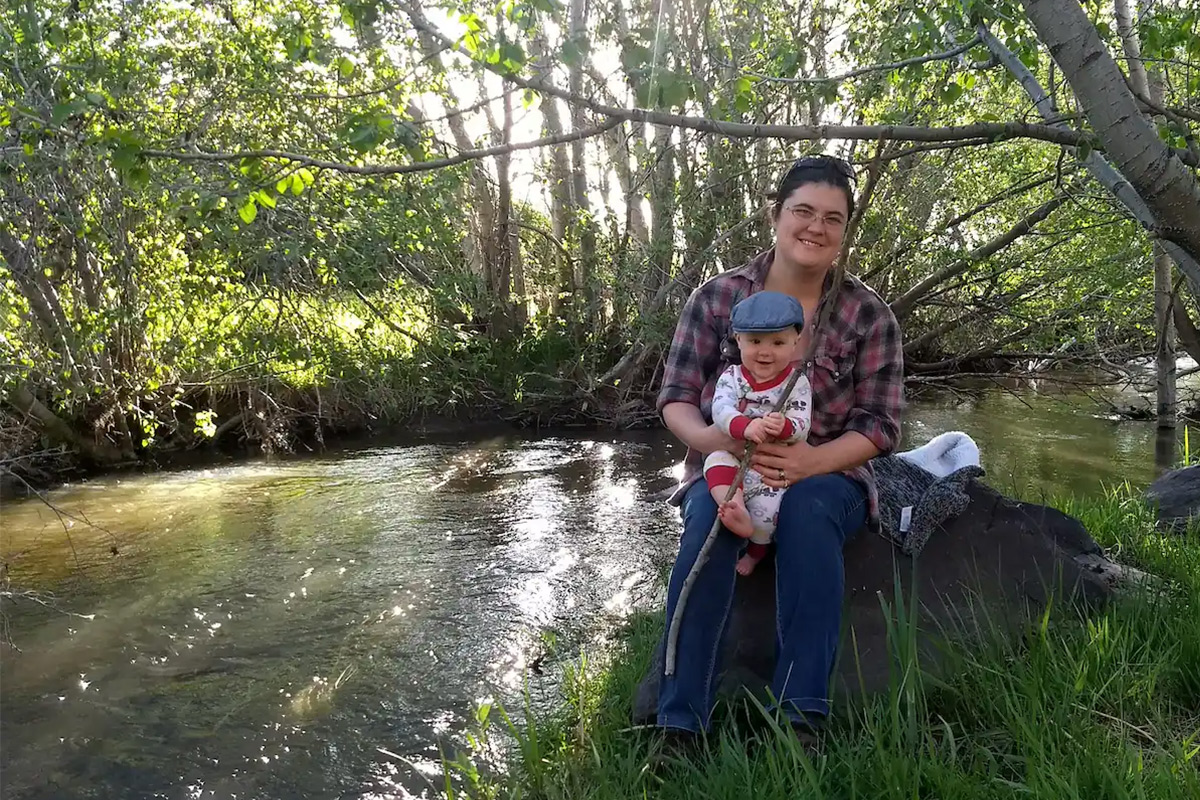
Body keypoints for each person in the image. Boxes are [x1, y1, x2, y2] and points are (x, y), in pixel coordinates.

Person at [655, 154, 905, 747]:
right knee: (707, 529)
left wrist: (809, 463)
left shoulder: (868, 314)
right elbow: (675, 399)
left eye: (833, 218)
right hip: (727, 466)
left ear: (845, 232)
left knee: (809, 511)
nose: (816, 227)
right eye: (803, 211)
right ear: (775, 215)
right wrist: (716, 440)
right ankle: (679, 720)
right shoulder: (716, 299)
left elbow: (882, 424)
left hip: (827, 474)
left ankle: (801, 716)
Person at [704, 291, 812, 577]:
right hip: (734, 453)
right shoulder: (732, 377)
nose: (765, 352)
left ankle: (755, 552)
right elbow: (721, 408)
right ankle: (734, 506)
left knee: (768, 512)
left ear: (795, 342)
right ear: (738, 340)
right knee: (714, 461)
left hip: (771, 466)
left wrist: (786, 428)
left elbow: (802, 422)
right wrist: (744, 426)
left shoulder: (797, 383)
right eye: (754, 342)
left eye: (778, 343)